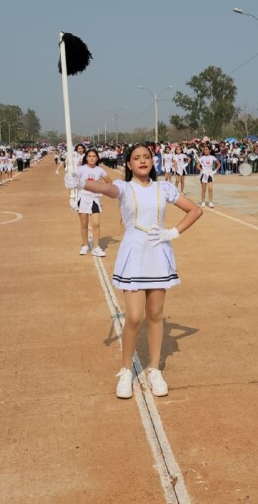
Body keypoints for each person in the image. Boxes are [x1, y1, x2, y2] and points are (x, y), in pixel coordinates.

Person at [64, 144, 202, 399]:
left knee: (156, 314)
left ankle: (154, 370)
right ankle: (126, 370)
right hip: (134, 255)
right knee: (135, 316)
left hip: (158, 254)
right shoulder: (124, 187)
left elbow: (195, 210)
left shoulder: (165, 188)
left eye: (146, 157)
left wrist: (172, 232)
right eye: (136, 158)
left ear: (153, 161)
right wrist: (80, 182)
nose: (142, 161)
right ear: (128, 164)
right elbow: (105, 188)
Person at [76, 148, 112, 257]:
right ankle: (85, 245)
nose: (92, 158)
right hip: (83, 198)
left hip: (94, 199)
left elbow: (109, 182)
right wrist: (73, 198)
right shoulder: (81, 169)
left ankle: (96, 247)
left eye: (94, 156)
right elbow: (73, 182)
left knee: (96, 224)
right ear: (86, 158)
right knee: (84, 224)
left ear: (97, 158)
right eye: (90, 156)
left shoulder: (100, 170)